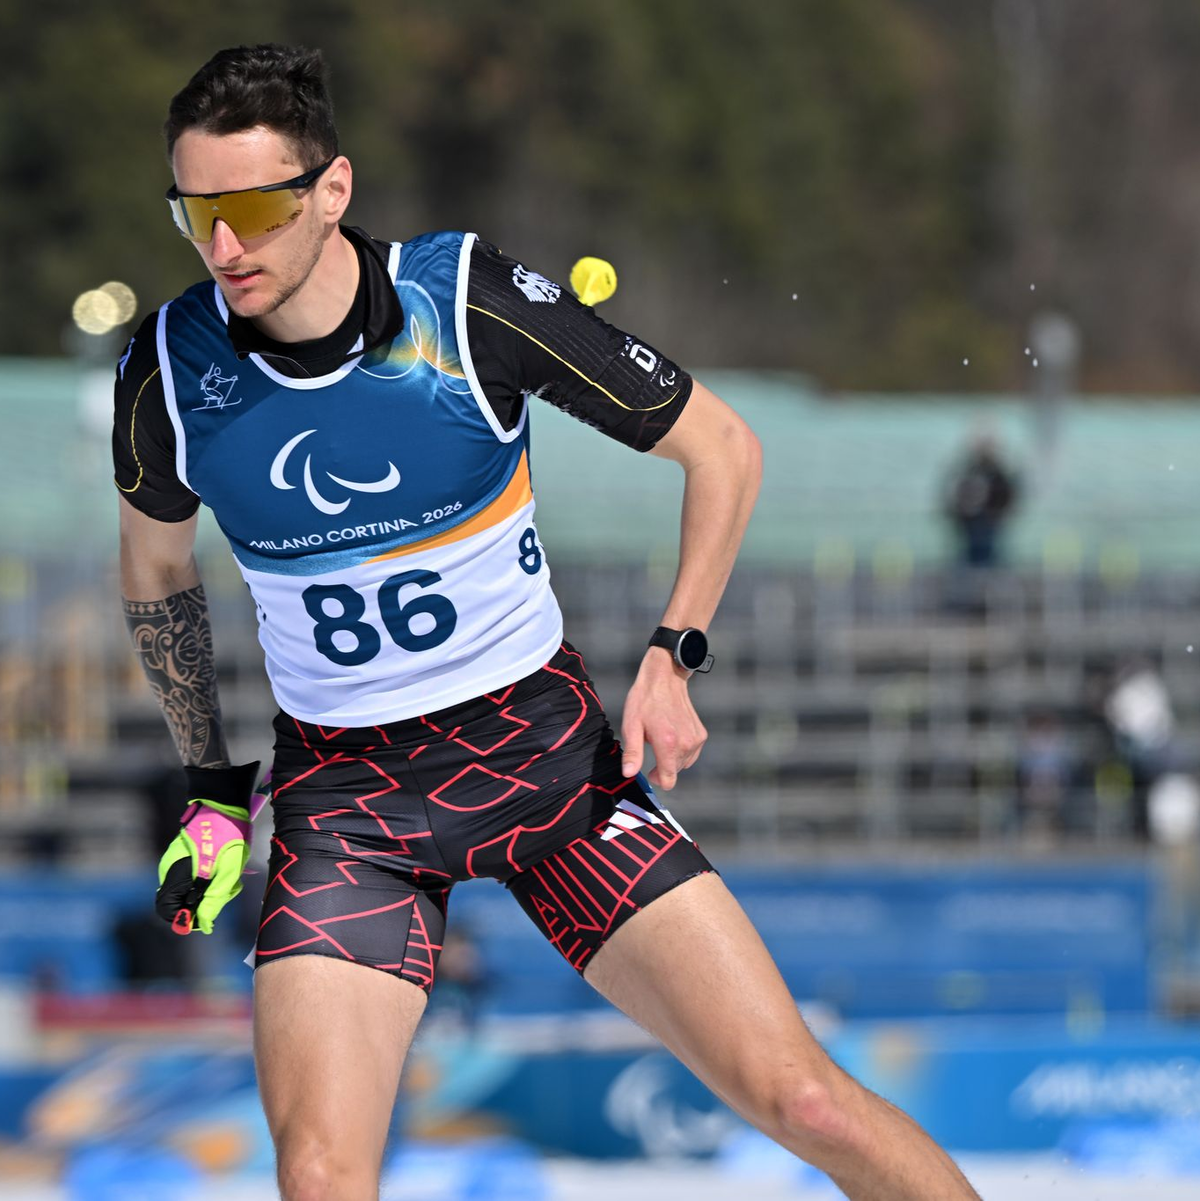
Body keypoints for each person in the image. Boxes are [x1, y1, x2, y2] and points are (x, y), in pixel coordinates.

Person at [114, 43, 980, 1201]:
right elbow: (157, 569)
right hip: (348, 809)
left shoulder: (462, 302)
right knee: (320, 1176)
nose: (226, 247)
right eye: (198, 213)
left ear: (332, 190)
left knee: (803, 1098)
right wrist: (211, 783)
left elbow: (721, 447)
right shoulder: (173, 369)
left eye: (258, 207)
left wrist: (676, 653)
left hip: (551, 768)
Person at [942, 433, 1019, 569]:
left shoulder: (998, 473)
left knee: (991, 562)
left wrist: (996, 515)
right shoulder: (967, 470)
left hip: (990, 529)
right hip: (969, 530)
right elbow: (953, 496)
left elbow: (1008, 495)